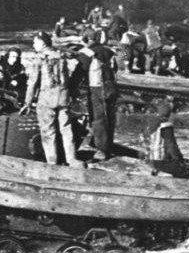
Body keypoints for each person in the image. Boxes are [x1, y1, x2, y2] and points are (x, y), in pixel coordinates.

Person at [21, 32, 82, 167]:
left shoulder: (39, 58)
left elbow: (32, 83)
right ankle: (72, 159)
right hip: (63, 97)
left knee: (48, 132)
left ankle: (52, 162)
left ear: (42, 43)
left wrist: (27, 103)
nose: (33, 44)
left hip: (46, 99)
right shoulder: (61, 56)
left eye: (35, 42)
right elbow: (67, 77)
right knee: (66, 129)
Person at [73, 29, 118, 160]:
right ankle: (107, 144)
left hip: (96, 88)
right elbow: (120, 61)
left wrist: (71, 87)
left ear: (85, 39)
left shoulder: (87, 52)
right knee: (109, 116)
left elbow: (79, 72)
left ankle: (102, 150)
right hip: (111, 87)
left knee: (98, 118)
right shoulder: (108, 50)